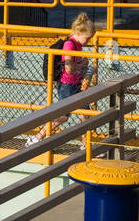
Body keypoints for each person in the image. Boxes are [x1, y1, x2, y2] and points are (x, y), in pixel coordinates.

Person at [26, 12, 96, 147]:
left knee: (85, 113)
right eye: (87, 38)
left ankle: (86, 144)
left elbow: (78, 63)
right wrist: (82, 64)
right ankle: (37, 137)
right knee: (63, 116)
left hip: (76, 84)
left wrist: (82, 64)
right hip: (67, 85)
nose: (89, 42)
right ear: (79, 33)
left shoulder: (78, 45)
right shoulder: (69, 45)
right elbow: (69, 67)